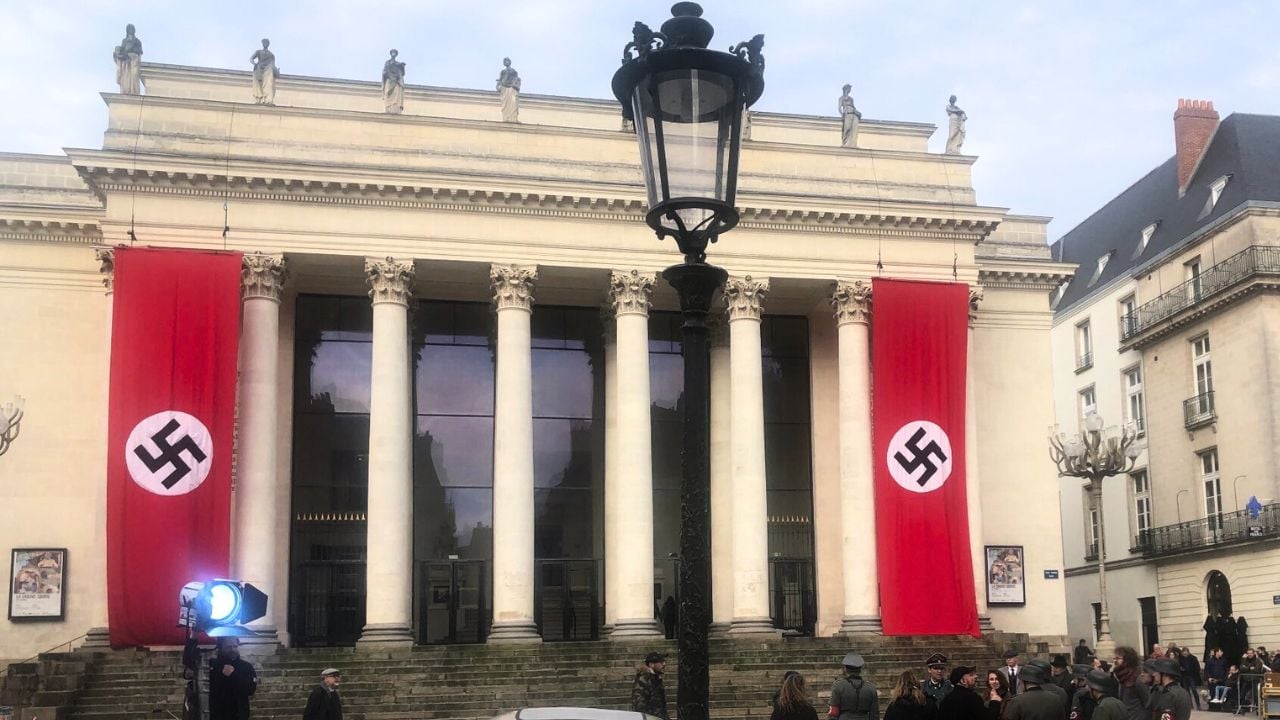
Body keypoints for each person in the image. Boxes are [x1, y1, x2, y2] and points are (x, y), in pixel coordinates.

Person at [208, 637, 257, 720]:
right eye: (228, 647)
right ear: (221, 647)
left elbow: (250, 689)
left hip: (238, 714)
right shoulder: (213, 665)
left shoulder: (246, 666)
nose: (232, 650)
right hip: (217, 714)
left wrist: (234, 675)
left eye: (235, 646)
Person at [830, 652, 879, 720]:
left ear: (846, 669)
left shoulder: (838, 686)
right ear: (860, 668)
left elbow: (834, 712)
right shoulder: (871, 688)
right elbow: (874, 715)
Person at [1112, 647, 1148, 720]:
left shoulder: (1137, 679)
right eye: (1114, 658)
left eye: (1118, 658)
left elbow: (1147, 703)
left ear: (1127, 660)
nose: (1115, 661)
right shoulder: (1120, 678)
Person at [632, 652, 668, 719]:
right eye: (661, 662)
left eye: (664, 661)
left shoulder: (655, 678)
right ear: (651, 664)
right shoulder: (643, 679)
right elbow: (639, 705)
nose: (664, 664)